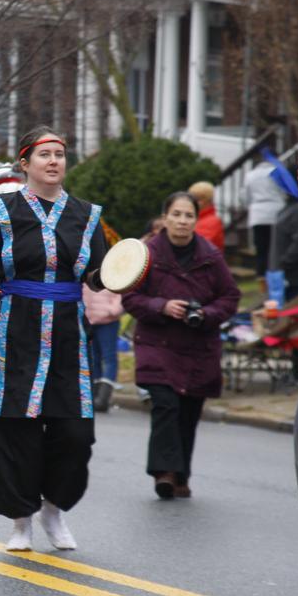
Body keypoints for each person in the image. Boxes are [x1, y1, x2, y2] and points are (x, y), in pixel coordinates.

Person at [0, 125, 108, 552]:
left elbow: (99, 280)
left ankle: (54, 507)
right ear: (25, 163)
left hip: (68, 334)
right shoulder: (2, 208)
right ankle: (20, 522)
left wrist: (128, 269)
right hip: (16, 331)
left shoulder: (87, 215)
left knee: (75, 434)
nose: (53, 161)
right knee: (15, 429)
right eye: (44, 154)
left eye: (59, 155)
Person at [122, 192, 240, 499]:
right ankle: (164, 473)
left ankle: (181, 475)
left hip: (197, 347)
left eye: (189, 216)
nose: (182, 221)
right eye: (176, 214)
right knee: (166, 405)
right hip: (156, 344)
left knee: (188, 412)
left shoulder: (210, 257)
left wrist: (205, 313)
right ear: (165, 218)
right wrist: (162, 306)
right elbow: (130, 297)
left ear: (196, 221)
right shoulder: (148, 253)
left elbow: (230, 297)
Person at [242, 158, 287, 277]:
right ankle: (276, 275)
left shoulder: (250, 175)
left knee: (261, 249)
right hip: (276, 212)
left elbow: (246, 196)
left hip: (258, 214)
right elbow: (284, 191)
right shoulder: (278, 171)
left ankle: (261, 277)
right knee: (276, 248)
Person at [83, 284, 123, 413]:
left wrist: (114, 310)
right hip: (89, 318)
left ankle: (103, 397)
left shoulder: (114, 268)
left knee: (109, 357)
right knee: (93, 357)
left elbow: (122, 289)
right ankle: (94, 395)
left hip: (108, 320)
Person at [187, 181, 224, 252]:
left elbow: (198, 245)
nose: (192, 202)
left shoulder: (212, 221)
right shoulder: (195, 218)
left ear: (208, 201)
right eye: (191, 199)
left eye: (197, 199)